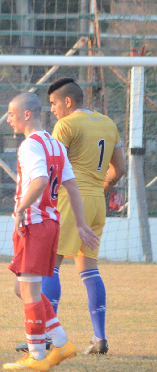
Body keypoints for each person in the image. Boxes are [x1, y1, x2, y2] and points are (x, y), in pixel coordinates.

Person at [3, 92, 99, 372]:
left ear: (27, 114)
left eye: (12, 113)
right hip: (49, 223)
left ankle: (37, 356)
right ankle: (62, 342)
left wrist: (20, 209)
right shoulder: (55, 145)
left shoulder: (30, 146)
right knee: (22, 288)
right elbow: (71, 186)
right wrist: (80, 224)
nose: (9, 119)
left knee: (29, 292)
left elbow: (41, 180)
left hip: (33, 223)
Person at [45, 78, 124, 355]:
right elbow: (120, 168)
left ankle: (46, 336)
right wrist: (101, 188)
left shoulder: (66, 125)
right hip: (96, 203)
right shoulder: (109, 123)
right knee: (89, 269)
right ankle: (99, 337)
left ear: (68, 102)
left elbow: (55, 167)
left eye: (54, 103)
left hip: (69, 200)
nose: (52, 109)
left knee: (49, 265)